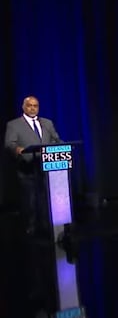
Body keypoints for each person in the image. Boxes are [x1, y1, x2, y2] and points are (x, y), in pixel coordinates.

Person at [4, 96, 62, 235]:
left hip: (46, 167)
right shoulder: (14, 124)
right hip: (27, 167)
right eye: (29, 105)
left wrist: (63, 146)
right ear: (23, 107)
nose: (32, 108)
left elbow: (56, 140)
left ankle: (46, 226)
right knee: (30, 199)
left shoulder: (47, 123)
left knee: (45, 198)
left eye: (35, 106)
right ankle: (30, 228)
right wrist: (18, 149)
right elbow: (9, 143)